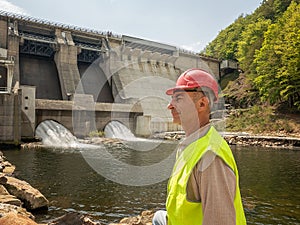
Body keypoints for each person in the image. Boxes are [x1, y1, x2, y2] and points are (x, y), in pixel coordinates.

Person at [153, 68, 246, 225]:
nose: (170, 106)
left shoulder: (210, 156)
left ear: (202, 103)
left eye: (179, 99)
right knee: (158, 217)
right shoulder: (191, 144)